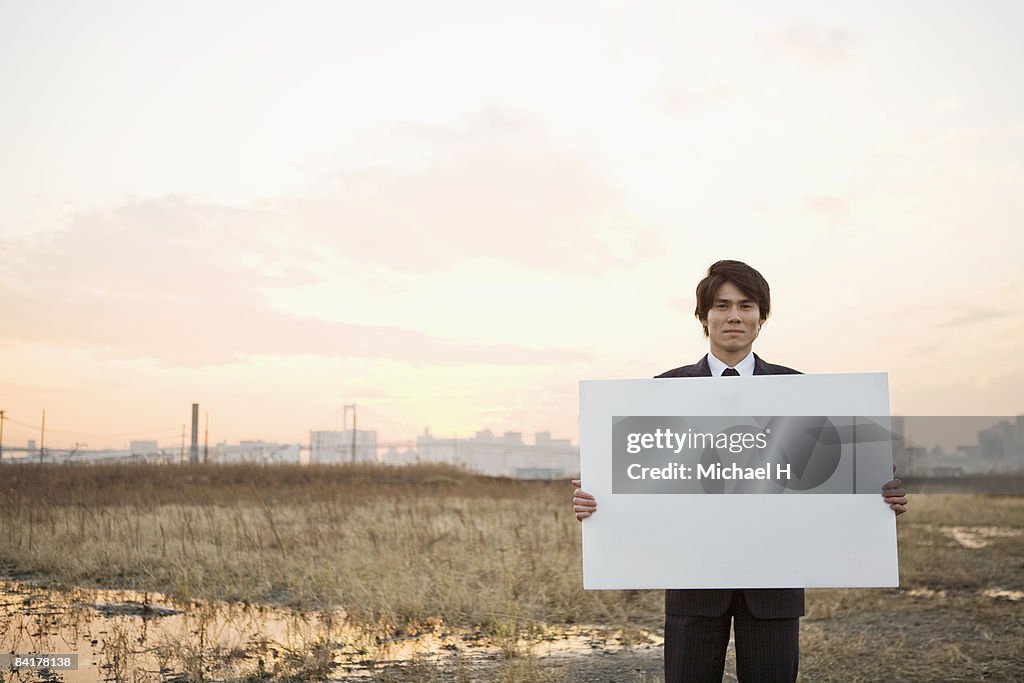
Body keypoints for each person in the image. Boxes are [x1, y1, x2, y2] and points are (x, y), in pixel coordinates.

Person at [572, 260, 908, 683]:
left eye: (746, 305)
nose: (734, 316)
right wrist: (598, 497)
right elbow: (640, 478)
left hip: (774, 584)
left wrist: (876, 500)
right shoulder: (662, 391)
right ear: (703, 317)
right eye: (721, 305)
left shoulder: (802, 393)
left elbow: (831, 479)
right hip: (693, 581)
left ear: (762, 317)